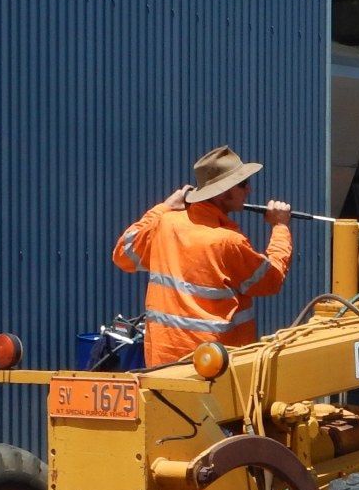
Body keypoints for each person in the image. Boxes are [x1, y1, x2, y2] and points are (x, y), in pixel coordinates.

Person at [113, 146, 294, 364]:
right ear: (223, 192)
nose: (249, 191)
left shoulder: (165, 223)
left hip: (162, 365)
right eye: (243, 184)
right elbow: (271, 280)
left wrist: (163, 207)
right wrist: (280, 227)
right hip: (214, 368)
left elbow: (123, 255)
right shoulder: (227, 241)